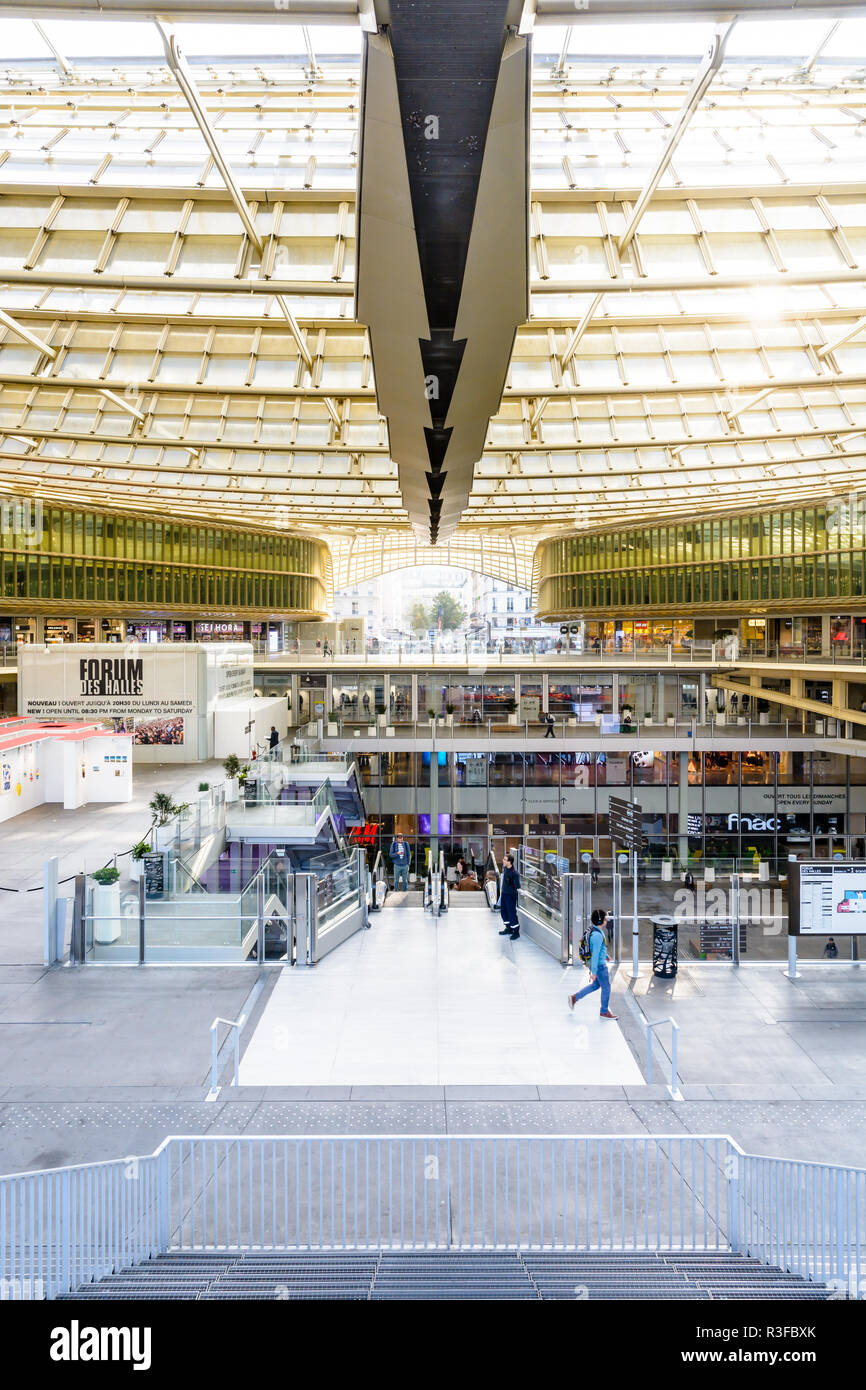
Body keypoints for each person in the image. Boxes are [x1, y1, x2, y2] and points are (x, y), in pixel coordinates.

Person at [568, 907, 617, 1019]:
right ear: (601, 921)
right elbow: (595, 955)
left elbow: (598, 950)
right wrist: (593, 972)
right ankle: (604, 1011)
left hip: (595, 963)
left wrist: (606, 956)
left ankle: (575, 998)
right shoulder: (598, 936)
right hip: (599, 965)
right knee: (606, 988)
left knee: (595, 986)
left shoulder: (593, 930)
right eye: (605, 919)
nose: (607, 920)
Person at [497, 853, 521, 939]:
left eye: (505, 860)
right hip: (504, 894)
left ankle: (516, 932)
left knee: (511, 913)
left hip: (511, 896)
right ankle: (508, 928)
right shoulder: (505, 869)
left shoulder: (515, 873)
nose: (503, 861)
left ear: (509, 862)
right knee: (504, 912)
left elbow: (517, 886)